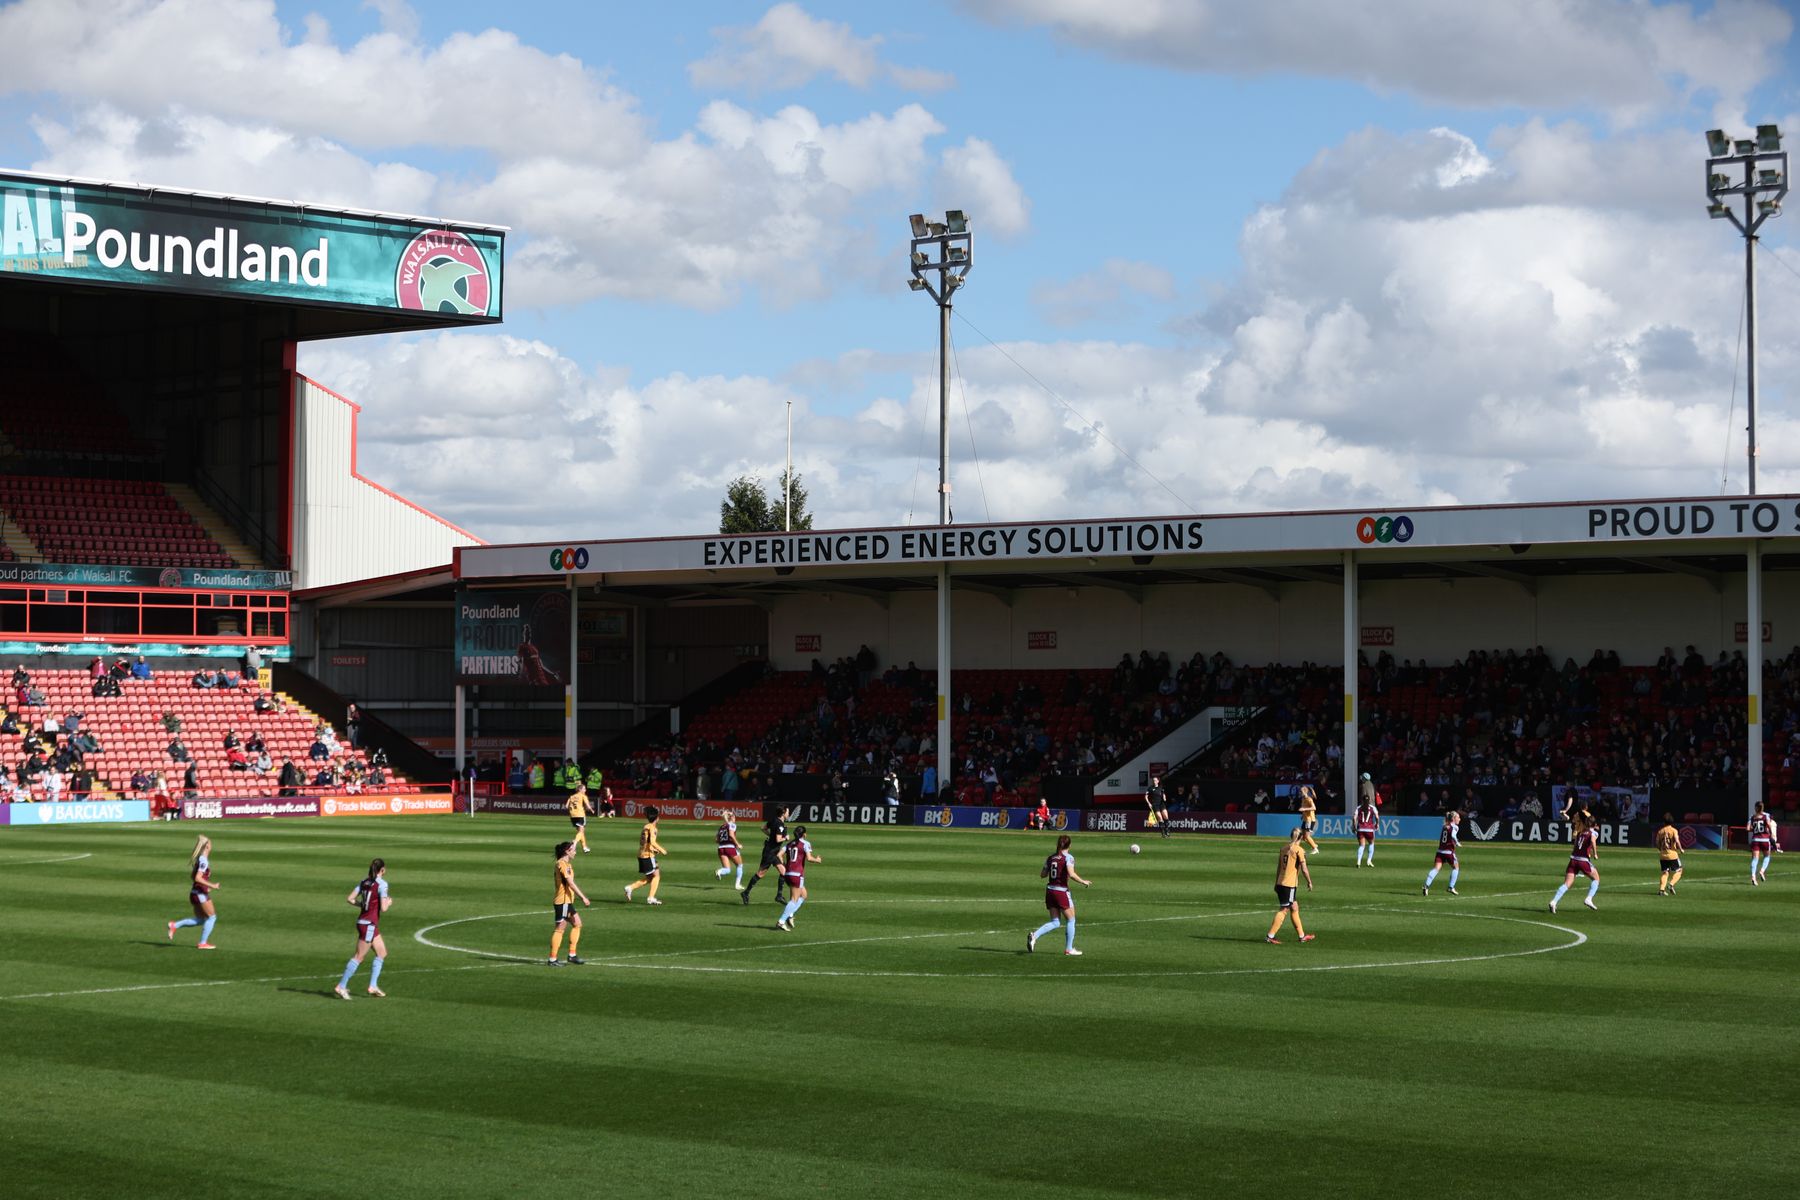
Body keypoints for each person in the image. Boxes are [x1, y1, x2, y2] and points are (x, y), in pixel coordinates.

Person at [334, 859, 392, 999]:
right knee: (359, 957)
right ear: (382, 870)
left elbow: (350, 899)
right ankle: (341, 986)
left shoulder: (364, 882)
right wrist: (389, 903)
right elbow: (383, 908)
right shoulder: (382, 884)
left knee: (382, 953)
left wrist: (363, 905)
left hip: (365, 922)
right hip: (369, 925)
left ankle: (373, 986)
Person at [1027, 833, 1091, 955]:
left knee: (1055, 922)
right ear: (1070, 845)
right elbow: (1071, 874)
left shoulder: (1051, 858)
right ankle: (1069, 949)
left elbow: (1042, 875)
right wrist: (1083, 881)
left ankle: (1034, 936)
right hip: (1061, 892)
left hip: (1050, 891)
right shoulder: (1068, 857)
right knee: (1071, 920)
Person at [167, 834, 220, 949]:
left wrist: (205, 887)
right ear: (206, 847)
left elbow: (193, 876)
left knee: (201, 919)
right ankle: (203, 943)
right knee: (212, 917)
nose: (211, 846)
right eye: (210, 844)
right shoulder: (204, 861)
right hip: (200, 894)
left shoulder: (200, 859)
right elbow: (197, 878)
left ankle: (174, 925)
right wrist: (212, 885)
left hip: (195, 893)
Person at [1265, 828, 1315, 944]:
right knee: (1284, 910)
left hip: (1281, 882)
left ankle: (1302, 936)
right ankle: (1270, 936)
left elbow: (1278, 867)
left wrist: (1276, 882)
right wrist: (1309, 881)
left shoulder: (1283, 849)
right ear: (1301, 838)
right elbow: (1304, 869)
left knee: (1294, 907)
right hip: (1289, 885)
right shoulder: (1299, 850)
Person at [547, 841, 592, 966]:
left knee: (577, 924)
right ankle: (552, 959)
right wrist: (583, 897)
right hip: (563, 902)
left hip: (567, 902)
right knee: (560, 928)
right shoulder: (561, 864)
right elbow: (570, 883)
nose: (575, 852)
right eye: (573, 850)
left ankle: (572, 955)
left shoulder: (567, 864)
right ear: (567, 851)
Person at [741, 806, 792, 906]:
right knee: (760, 873)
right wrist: (785, 838)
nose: (788, 814)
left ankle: (779, 895)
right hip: (770, 852)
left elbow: (763, 828)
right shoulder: (780, 824)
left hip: (774, 852)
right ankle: (745, 893)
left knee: (784, 872)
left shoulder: (774, 820)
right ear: (783, 813)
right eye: (788, 812)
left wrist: (771, 836)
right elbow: (778, 839)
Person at [1550, 815, 1601, 913]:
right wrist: (1595, 854)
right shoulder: (1593, 833)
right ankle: (1589, 899)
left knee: (1567, 883)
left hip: (1573, 859)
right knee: (1596, 879)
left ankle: (1554, 901)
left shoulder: (1580, 832)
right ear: (1594, 825)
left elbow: (1575, 846)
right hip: (1583, 861)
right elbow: (1593, 841)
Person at [775, 826, 822, 931]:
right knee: (794, 899)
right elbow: (809, 858)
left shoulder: (789, 844)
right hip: (797, 875)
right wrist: (817, 860)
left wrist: (786, 865)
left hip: (788, 874)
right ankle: (782, 921)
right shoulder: (805, 843)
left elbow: (779, 855)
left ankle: (789, 914)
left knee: (804, 895)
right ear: (804, 834)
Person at [624, 806, 667, 905]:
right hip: (647, 856)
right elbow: (652, 841)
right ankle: (650, 898)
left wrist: (654, 850)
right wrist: (661, 849)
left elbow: (645, 842)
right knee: (656, 876)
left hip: (642, 854)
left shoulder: (646, 827)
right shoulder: (653, 828)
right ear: (657, 818)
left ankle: (630, 888)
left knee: (650, 878)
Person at [1422, 811, 1462, 896]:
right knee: (1456, 867)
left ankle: (1426, 885)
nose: (1459, 819)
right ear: (1454, 818)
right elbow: (1453, 835)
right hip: (1449, 852)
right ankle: (1451, 887)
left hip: (1440, 852)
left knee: (1436, 868)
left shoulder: (1445, 826)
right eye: (1458, 817)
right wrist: (1457, 842)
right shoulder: (1455, 827)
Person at [1748, 801, 1780, 885]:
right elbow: (1769, 826)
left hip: (1755, 840)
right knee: (1767, 856)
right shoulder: (1766, 816)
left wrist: (1755, 829)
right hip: (1765, 839)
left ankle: (1753, 877)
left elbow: (1748, 829)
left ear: (1755, 808)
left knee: (1755, 859)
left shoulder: (1752, 817)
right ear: (1763, 808)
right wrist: (1771, 835)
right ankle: (1762, 871)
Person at [1655, 813, 1684, 896]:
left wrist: (1661, 850)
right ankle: (1671, 884)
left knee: (1665, 872)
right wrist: (1681, 849)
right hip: (1672, 854)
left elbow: (1657, 843)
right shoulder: (1674, 830)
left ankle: (1661, 890)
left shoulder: (1660, 831)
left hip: (1663, 855)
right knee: (1679, 870)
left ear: (1664, 822)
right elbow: (1677, 840)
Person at [714, 811, 744, 890]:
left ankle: (719, 872)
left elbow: (716, 839)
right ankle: (737, 885)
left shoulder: (722, 826)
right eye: (734, 817)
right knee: (739, 865)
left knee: (727, 869)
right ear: (732, 818)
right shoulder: (732, 825)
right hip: (729, 847)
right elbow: (731, 834)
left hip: (721, 848)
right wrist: (738, 844)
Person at [565, 781, 595, 854]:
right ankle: (574, 842)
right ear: (580, 790)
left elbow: (566, 806)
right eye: (584, 789)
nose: (585, 790)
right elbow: (587, 805)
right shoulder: (583, 796)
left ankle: (585, 847)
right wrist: (591, 810)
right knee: (581, 832)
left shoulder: (571, 796)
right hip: (580, 815)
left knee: (581, 832)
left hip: (572, 816)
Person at [1353, 788, 1380, 867]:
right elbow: (1377, 817)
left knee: (1362, 845)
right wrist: (1377, 824)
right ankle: (1369, 860)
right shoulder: (1372, 808)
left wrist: (1354, 827)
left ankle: (1358, 862)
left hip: (1360, 829)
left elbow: (1354, 818)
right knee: (1371, 843)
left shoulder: (1359, 808)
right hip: (1369, 829)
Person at [1296, 784, 1321, 854]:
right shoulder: (1303, 799)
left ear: (1305, 792)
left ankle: (1315, 849)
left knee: (1306, 836)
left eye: (1301, 792)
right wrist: (1302, 814)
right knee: (1303, 837)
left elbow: (1314, 808)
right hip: (1305, 819)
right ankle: (1314, 844)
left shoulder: (1309, 799)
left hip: (1310, 820)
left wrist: (1304, 809)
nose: (1300, 793)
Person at [1146, 775, 1171, 839]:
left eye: (1155, 780)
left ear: (1158, 781)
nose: (1154, 781)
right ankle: (1163, 833)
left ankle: (1167, 830)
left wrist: (1164, 797)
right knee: (1160, 818)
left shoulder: (1161, 788)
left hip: (1162, 804)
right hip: (1155, 805)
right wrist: (1149, 803)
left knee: (1166, 816)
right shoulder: (1150, 788)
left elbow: (1163, 794)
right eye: (1153, 780)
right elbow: (1146, 797)